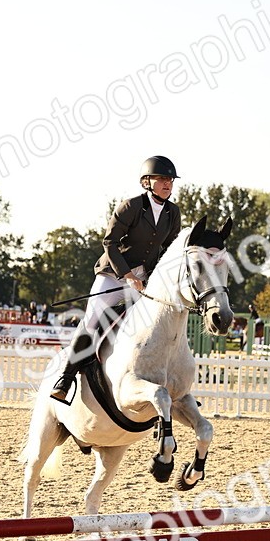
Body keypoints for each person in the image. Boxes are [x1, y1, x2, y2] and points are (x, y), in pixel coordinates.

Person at [50, 155, 183, 402]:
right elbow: (109, 243)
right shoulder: (130, 206)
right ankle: (66, 378)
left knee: (159, 324)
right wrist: (128, 275)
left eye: (170, 180)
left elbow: (169, 249)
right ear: (147, 182)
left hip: (146, 281)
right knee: (92, 320)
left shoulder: (172, 213)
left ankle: (173, 388)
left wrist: (157, 278)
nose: (168, 184)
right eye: (162, 178)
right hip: (114, 275)